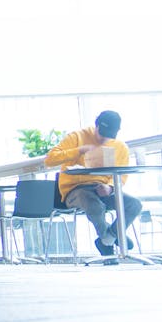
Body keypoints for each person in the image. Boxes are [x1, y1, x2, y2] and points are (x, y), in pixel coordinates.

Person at [44, 110, 141, 257]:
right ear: (96, 126)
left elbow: (121, 176)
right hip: (75, 190)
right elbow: (50, 160)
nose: (104, 139)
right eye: (102, 134)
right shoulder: (77, 137)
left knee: (134, 204)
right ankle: (112, 237)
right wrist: (79, 150)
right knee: (93, 204)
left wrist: (110, 187)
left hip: (103, 188)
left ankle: (109, 238)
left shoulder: (120, 146)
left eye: (109, 136)